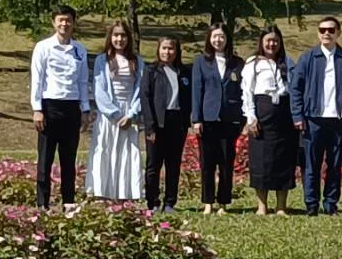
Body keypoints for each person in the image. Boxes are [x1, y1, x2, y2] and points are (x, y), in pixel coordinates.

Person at [29, 5, 92, 209]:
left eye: (68, 20)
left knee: (69, 160)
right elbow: (37, 79)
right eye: (60, 20)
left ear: (73, 23)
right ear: (54, 22)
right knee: (45, 160)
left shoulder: (79, 50)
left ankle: (68, 203)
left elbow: (83, 81)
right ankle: (42, 205)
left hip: (72, 108)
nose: (64, 24)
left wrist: (85, 109)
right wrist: (37, 109)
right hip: (49, 106)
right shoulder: (43, 47)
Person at [289, 16, 342, 216]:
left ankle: (331, 203)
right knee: (311, 164)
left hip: (338, 120)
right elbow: (295, 88)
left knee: (335, 164)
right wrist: (297, 115)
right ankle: (311, 203)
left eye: (331, 30)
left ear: (338, 33)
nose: (326, 33)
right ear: (318, 33)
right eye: (322, 30)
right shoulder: (308, 58)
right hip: (313, 119)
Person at [87, 20, 144, 202]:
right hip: (109, 114)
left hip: (129, 113)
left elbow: (141, 90)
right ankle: (101, 192)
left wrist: (131, 115)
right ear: (110, 37)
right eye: (116, 35)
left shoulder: (137, 61)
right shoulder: (102, 60)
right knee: (104, 149)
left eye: (123, 35)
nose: (119, 39)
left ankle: (125, 193)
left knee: (127, 151)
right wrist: (116, 114)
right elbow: (100, 91)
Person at [242, 26, 297, 216]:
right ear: (261, 42)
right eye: (268, 40)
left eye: (275, 40)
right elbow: (247, 91)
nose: (272, 44)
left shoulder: (287, 62)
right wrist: (251, 117)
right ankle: (262, 206)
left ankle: (281, 206)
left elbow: (293, 88)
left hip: (284, 115)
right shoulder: (253, 63)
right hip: (262, 114)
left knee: (284, 160)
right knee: (261, 161)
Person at [191, 23, 244, 215]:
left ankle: (223, 202)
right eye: (214, 36)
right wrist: (196, 119)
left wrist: (243, 118)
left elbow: (243, 91)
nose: (218, 40)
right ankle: (208, 202)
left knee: (226, 163)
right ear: (209, 38)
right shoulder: (201, 62)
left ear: (227, 38)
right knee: (207, 163)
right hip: (208, 119)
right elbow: (197, 91)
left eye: (221, 36)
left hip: (230, 119)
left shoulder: (238, 63)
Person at [140, 36, 192, 214]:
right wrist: (150, 126)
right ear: (158, 50)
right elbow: (145, 98)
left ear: (176, 51)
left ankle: (170, 203)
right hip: (157, 123)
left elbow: (189, 98)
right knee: (153, 165)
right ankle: (152, 202)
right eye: (164, 48)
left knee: (173, 165)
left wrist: (187, 121)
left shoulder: (184, 72)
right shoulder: (151, 71)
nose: (167, 52)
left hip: (177, 123)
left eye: (171, 48)